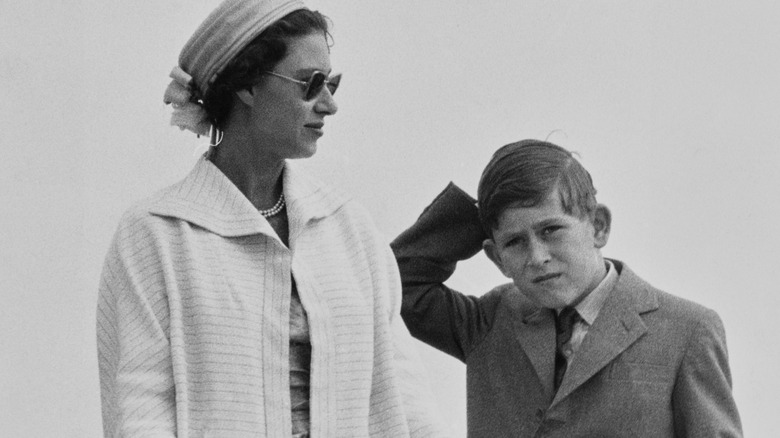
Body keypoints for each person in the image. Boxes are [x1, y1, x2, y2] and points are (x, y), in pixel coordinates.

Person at [97, 1, 445, 436]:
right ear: (247, 85)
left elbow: (406, 396)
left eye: (332, 83)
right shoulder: (157, 234)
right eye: (311, 83)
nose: (329, 104)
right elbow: (139, 411)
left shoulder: (349, 229)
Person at [391, 139, 742, 437]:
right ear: (496, 258)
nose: (537, 257)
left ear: (599, 226)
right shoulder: (490, 319)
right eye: (514, 243)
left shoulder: (687, 330)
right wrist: (471, 217)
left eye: (551, 231)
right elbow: (394, 281)